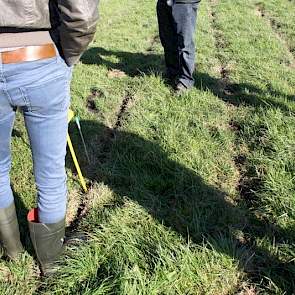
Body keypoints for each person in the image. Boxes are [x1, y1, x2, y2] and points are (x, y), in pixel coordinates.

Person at [0, 0, 99, 275]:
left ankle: (13, 253)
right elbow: (82, 14)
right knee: (50, 172)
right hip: (41, 58)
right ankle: (52, 262)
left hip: (41, 56)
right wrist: (66, 57)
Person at [157, 0, 200, 92]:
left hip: (184, 2)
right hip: (163, 2)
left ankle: (185, 81)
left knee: (185, 43)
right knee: (167, 40)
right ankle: (172, 73)